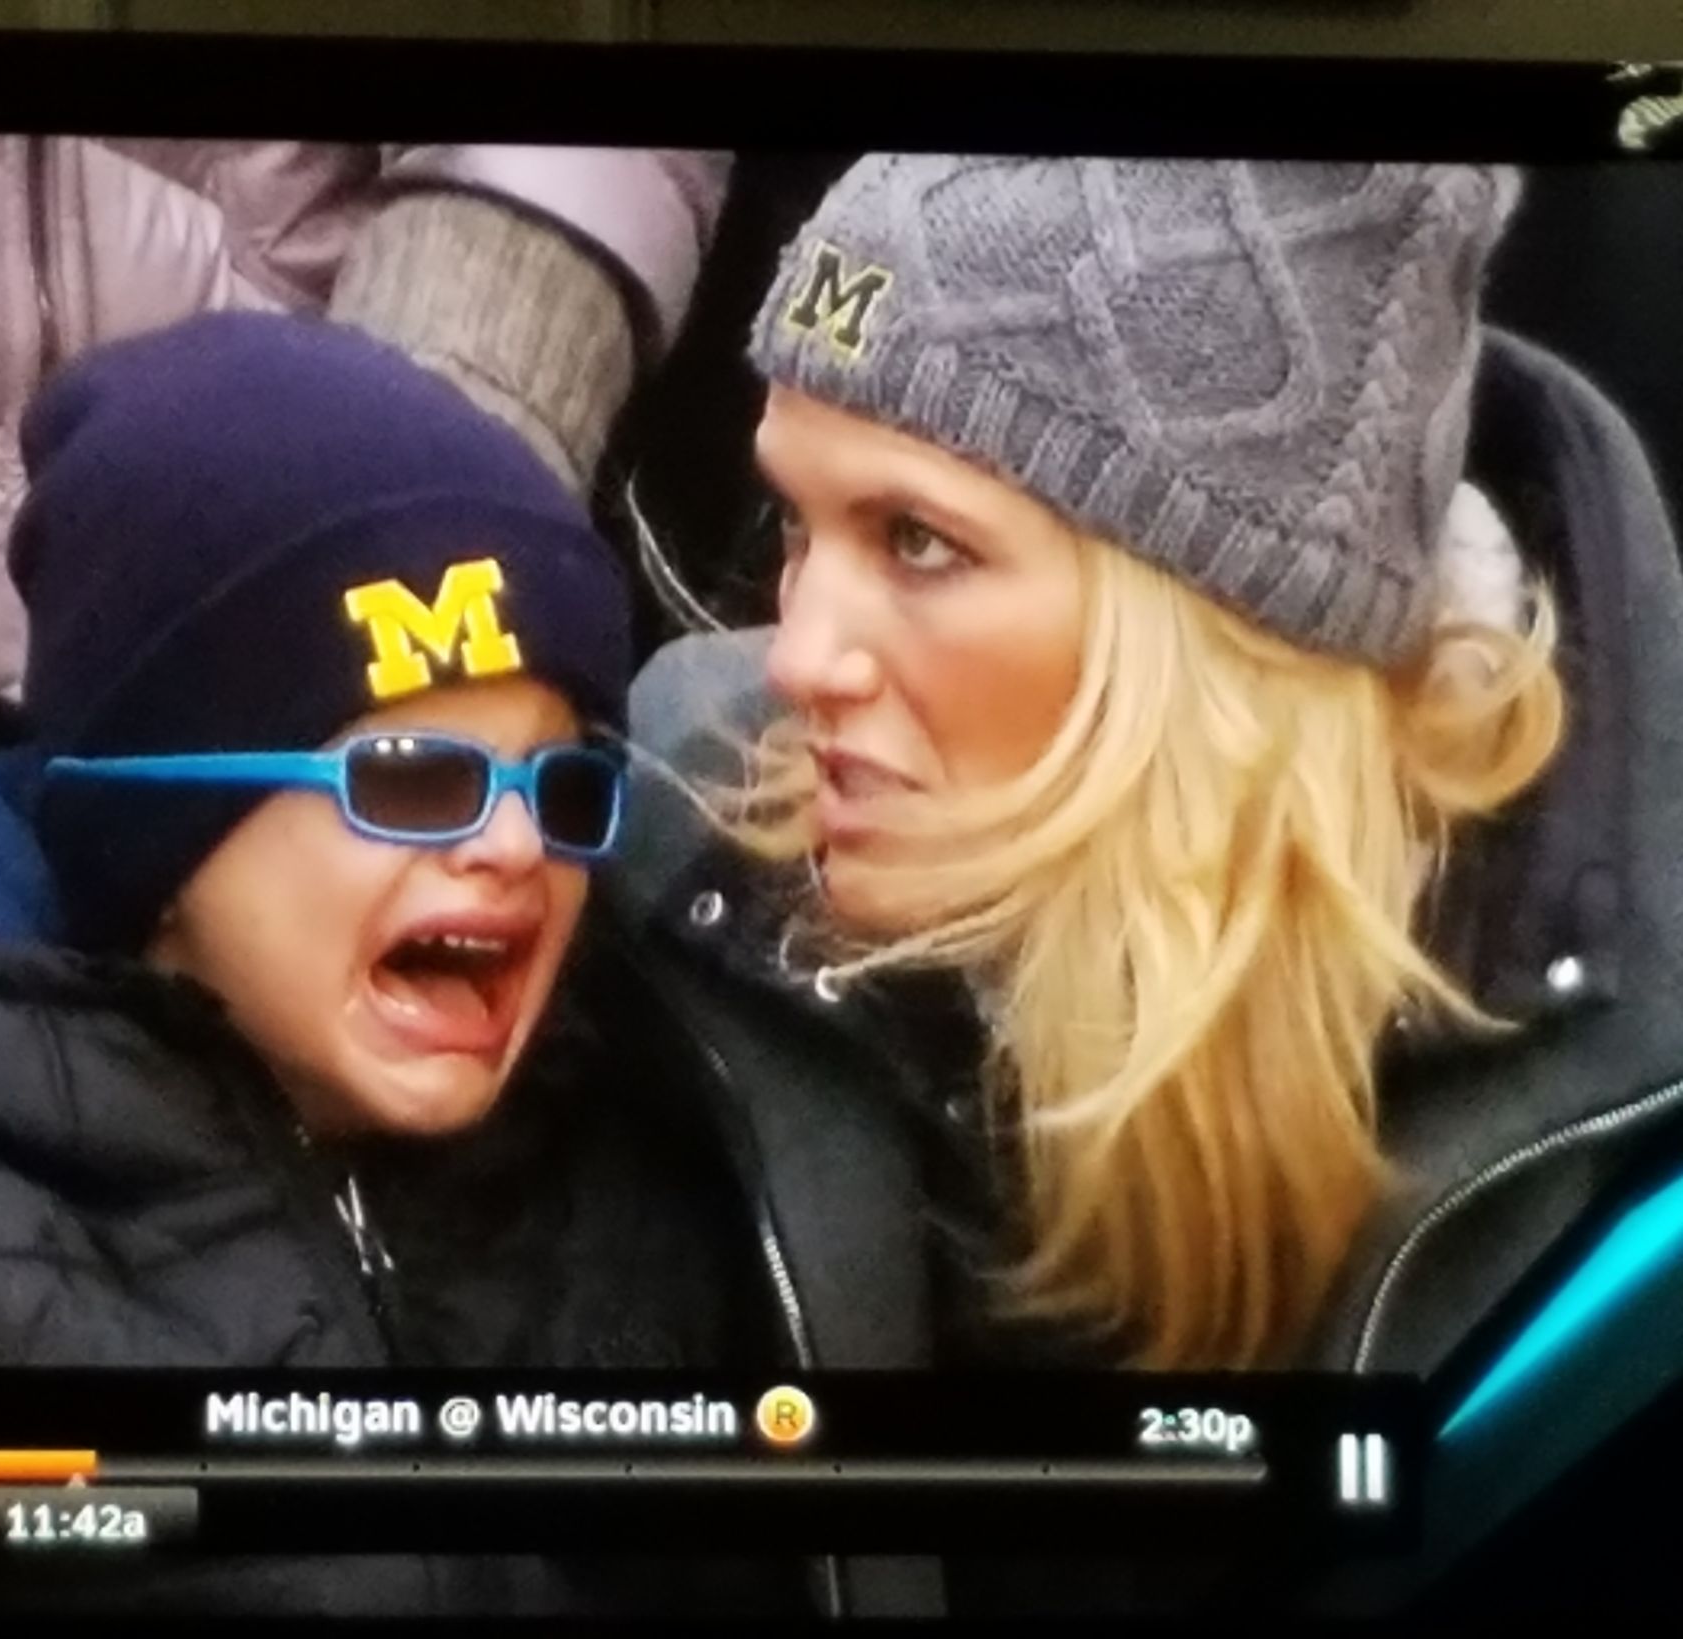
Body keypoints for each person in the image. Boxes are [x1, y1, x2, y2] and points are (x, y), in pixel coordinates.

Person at [0, 312, 800, 1617]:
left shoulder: (634, 1163)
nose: (515, 842)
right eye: (413, 777)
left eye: (563, 779)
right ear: (157, 830)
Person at [597, 157, 1683, 1611]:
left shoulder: (1626, 1140)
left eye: (917, 541)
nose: (796, 659)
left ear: (1219, 629)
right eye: (797, 524)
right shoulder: (679, 852)